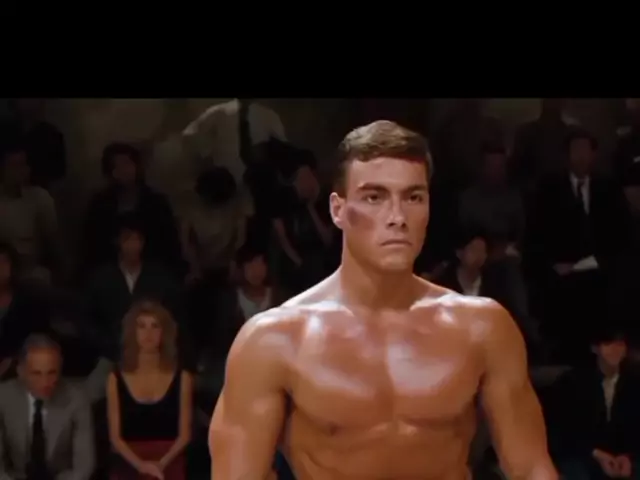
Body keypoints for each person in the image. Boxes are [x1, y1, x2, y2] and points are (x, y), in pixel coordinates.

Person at [209, 120, 557, 480]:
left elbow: (531, 468)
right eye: (374, 197)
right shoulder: (273, 340)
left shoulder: (482, 328)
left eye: (413, 197)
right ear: (338, 210)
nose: (397, 217)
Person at [106, 300, 193, 480]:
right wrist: (141, 465)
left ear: (164, 332)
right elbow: (115, 438)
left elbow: (184, 436)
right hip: (129, 462)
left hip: (170, 461)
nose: (148, 333)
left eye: (155, 326)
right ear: (132, 332)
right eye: (141, 326)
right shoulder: (115, 379)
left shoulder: (183, 378)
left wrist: (160, 465)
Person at [0, 334, 95, 480]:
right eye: (36, 373)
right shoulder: (3, 397)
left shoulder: (77, 399)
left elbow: (83, 466)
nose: (45, 382)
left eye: (52, 372)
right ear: (20, 371)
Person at [549, 328, 640, 479]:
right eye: (608, 344)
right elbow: (562, 432)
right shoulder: (572, 382)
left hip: (623, 457)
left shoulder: (634, 381)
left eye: (620, 344)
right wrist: (595, 453)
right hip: (582, 455)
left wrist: (627, 457)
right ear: (595, 348)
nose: (615, 350)